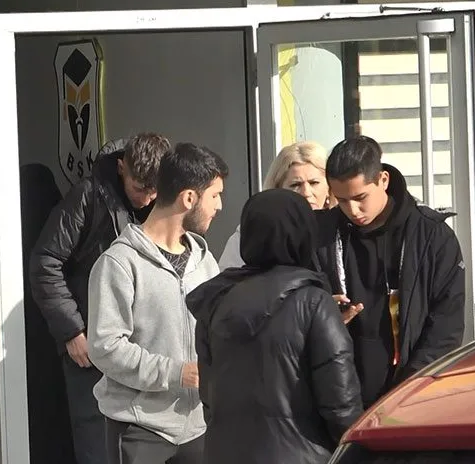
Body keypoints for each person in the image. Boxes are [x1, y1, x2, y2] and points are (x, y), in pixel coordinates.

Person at [187, 189, 363, 464]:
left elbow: (209, 398)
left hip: (225, 453)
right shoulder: (314, 302)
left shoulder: (217, 300)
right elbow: (341, 405)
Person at [29, 133, 171, 464]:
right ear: (121, 167)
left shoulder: (162, 200)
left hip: (143, 348)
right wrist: (72, 332)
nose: (148, 199)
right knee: (98, 447)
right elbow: (45, 262)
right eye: (140, 188)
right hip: (91, 348)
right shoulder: (88, 196)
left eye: (155, 191)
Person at [87, 142, 228, 464]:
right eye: (215, 195)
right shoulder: (119, 263)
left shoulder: (206, 262)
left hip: (198, 428)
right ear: (189, 198)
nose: (219, 206)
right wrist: (178, 373)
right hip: (139, 429)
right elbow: (106, 347)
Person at [317, 135, 466, 408]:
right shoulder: (321, 234)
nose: (352, 210)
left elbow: (445, 327)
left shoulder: (431, 236)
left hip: (412, 397)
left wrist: (407, 393)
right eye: (342, 200)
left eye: (360, 197)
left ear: (383, 180)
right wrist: (322, 315)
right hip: (338, 399)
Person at [219, 141, 334, 269]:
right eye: (295, 185)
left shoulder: (340, 229)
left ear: (329, 187)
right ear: (278, 189)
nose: (306, 193)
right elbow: (230, 275)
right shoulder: (254, 232)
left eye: (314, 183)